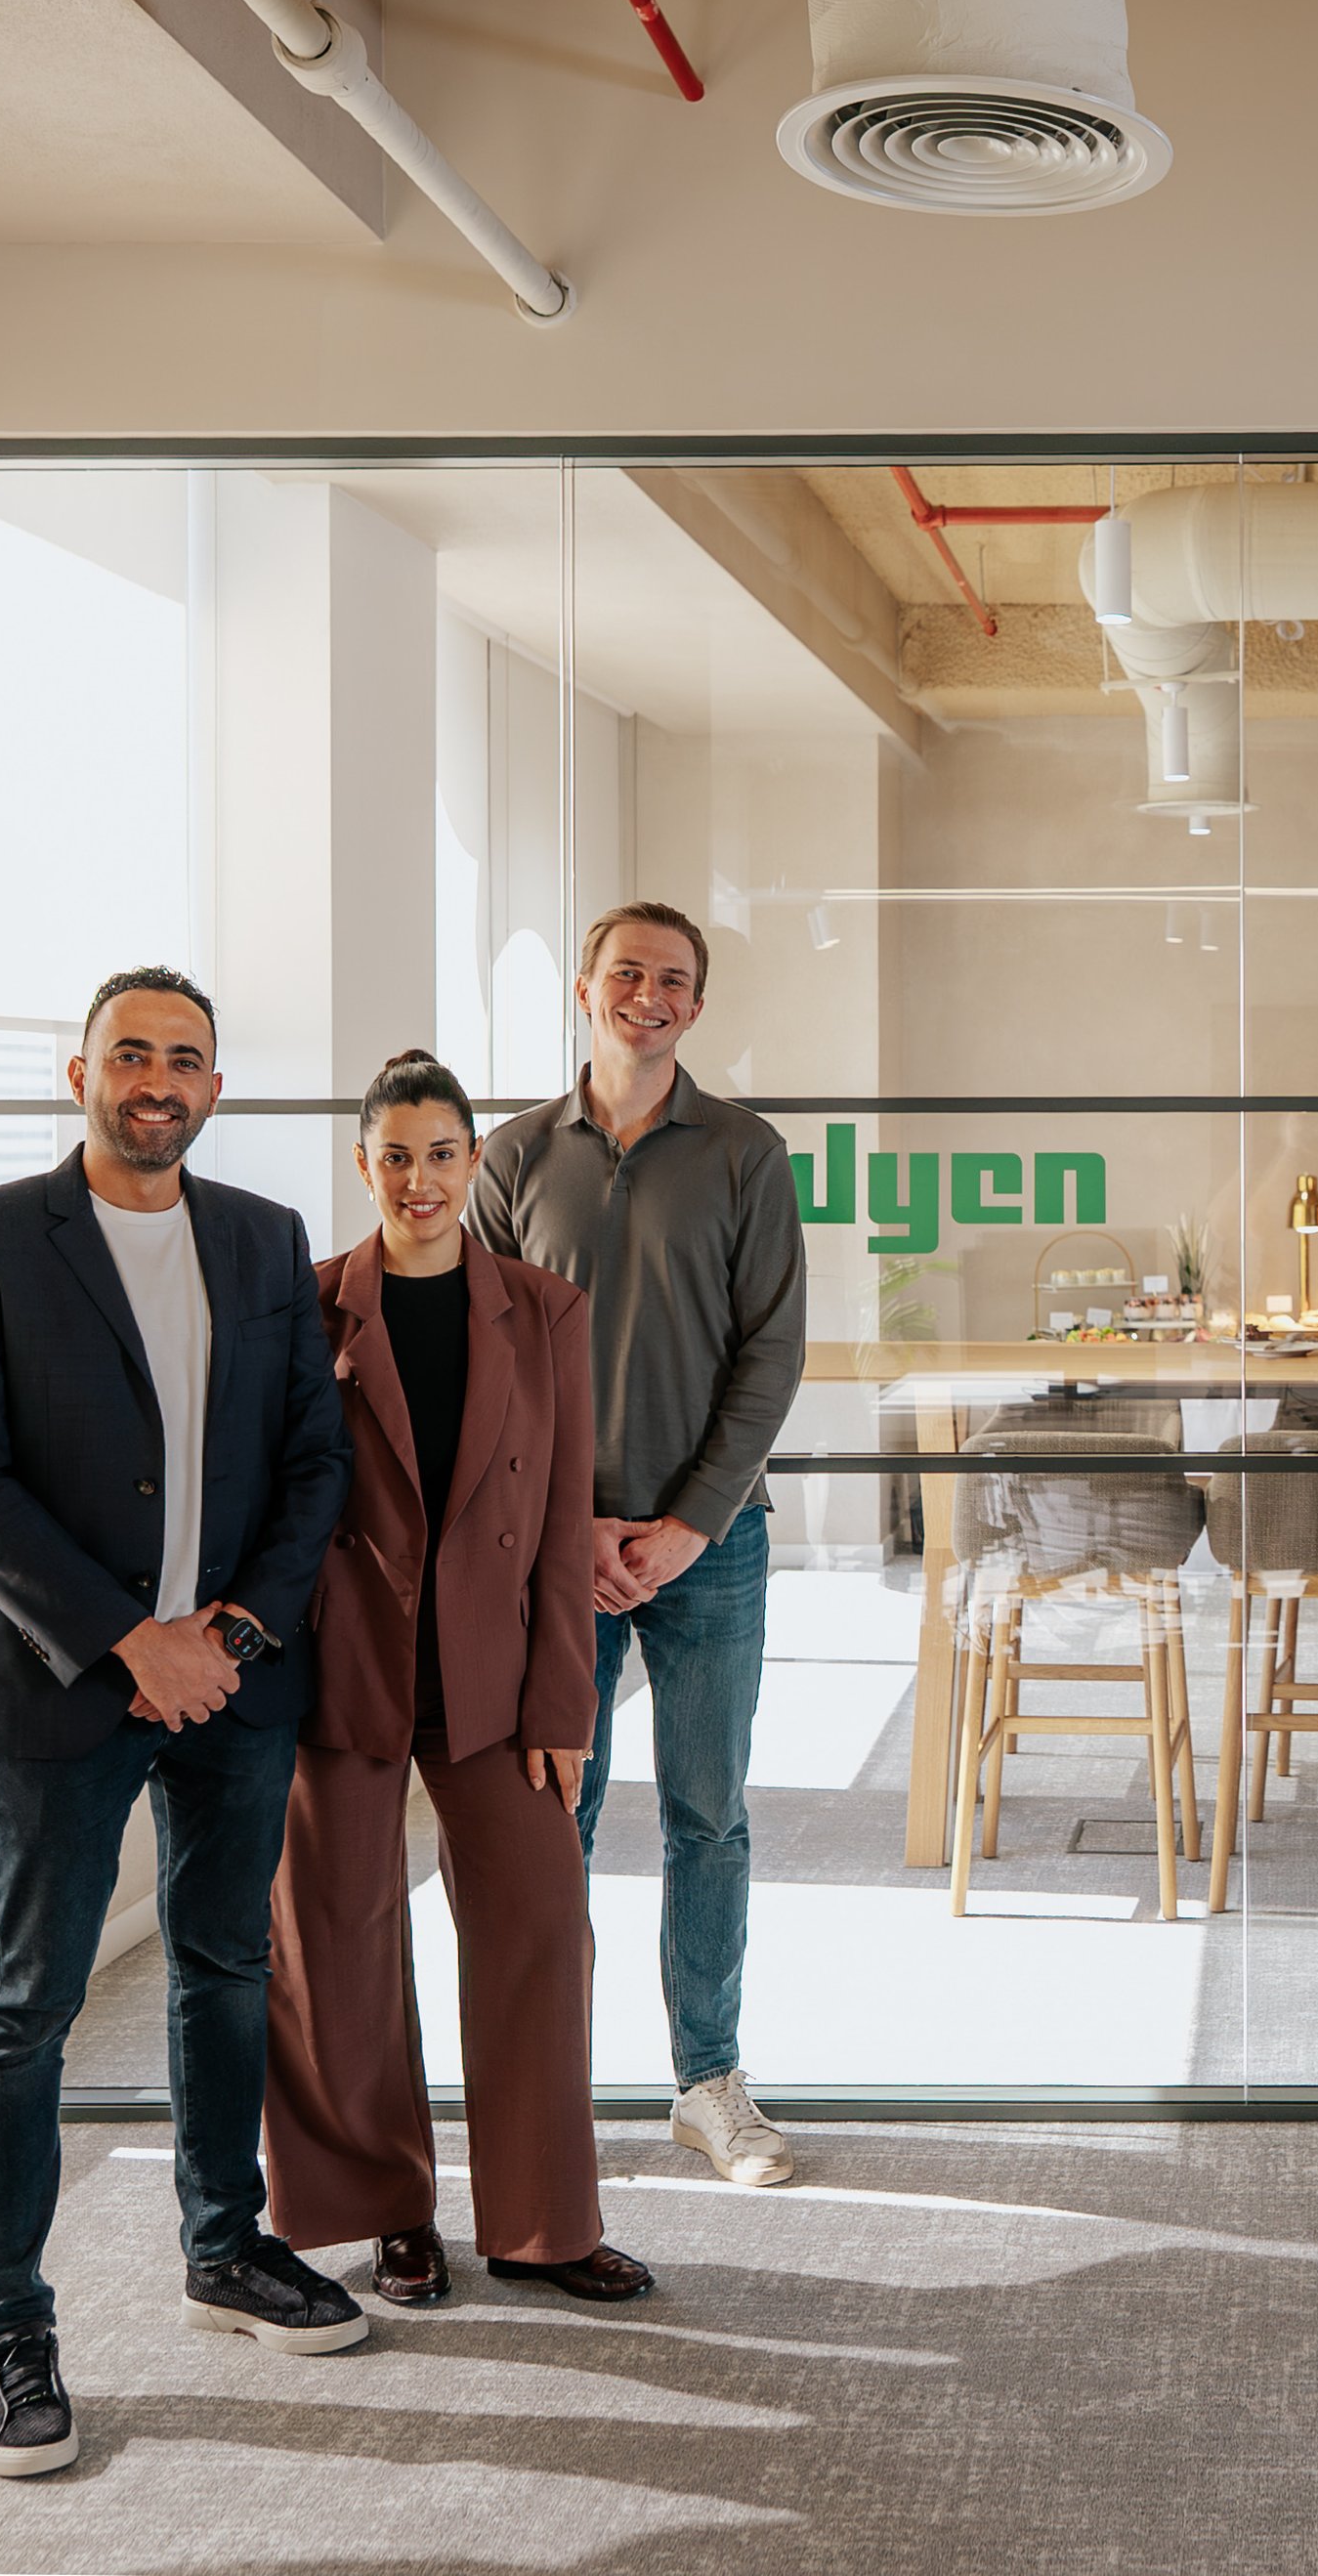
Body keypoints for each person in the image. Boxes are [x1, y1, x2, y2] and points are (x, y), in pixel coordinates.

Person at [0, 966, 361, 2478]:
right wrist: (129, 1643)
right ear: (78, 1072)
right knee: (25, 2005)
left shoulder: (262, 1238)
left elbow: (317, 1461)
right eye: (130, 1054)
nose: (156, 1079)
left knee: (227, 1968)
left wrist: (230, 1635)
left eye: (184, 1059)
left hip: (235, 1683)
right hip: (60, 1687)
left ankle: (224, 2246)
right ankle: (6, 2321)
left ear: (216, 1088)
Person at [264, 1052, 653, 2308]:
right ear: (362, 1163)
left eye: (442, 1154)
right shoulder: (307, 1306)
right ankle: (387, 2215)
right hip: (343, 1671)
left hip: (498, 1680)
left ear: (474, 1163)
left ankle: (543, 2222)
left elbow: (557, 1525)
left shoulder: (544, 1311)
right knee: (339, 1946)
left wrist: (565, 1707)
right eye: (395, 1154)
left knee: (542, 1926)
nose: (419, 1179)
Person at [470, 902, 808, 2186]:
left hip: (709, 1547)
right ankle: (546, 2090)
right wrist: (575, 1527)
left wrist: (682, 1526)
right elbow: (487, 1367)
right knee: (554, 1818)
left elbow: (770, 1354)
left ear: (696, 1007)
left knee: (706, 1818)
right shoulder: (510, 1161)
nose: (648, 996)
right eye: (628, 974)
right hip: (553, 1557)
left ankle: (707, 2082)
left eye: (674, 980)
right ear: (585, 988)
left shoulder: (743, 1154)